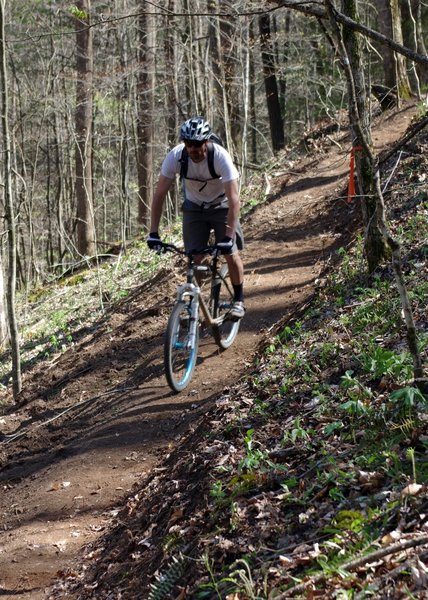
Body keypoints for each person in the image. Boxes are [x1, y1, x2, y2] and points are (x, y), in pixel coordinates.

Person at [147, 116, 245, 320]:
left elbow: (234, 199)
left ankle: (239, 300)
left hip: (222, 206)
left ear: (207, 141)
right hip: (194, 208)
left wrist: (227, 237)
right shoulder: (176, 157)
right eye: (189, 144)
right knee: (194, 257)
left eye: (198, 144)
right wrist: (153, 233)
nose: (193, 149)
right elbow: (159, 195)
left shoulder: (220, 157)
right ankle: (192, 306)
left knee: (230, 253)